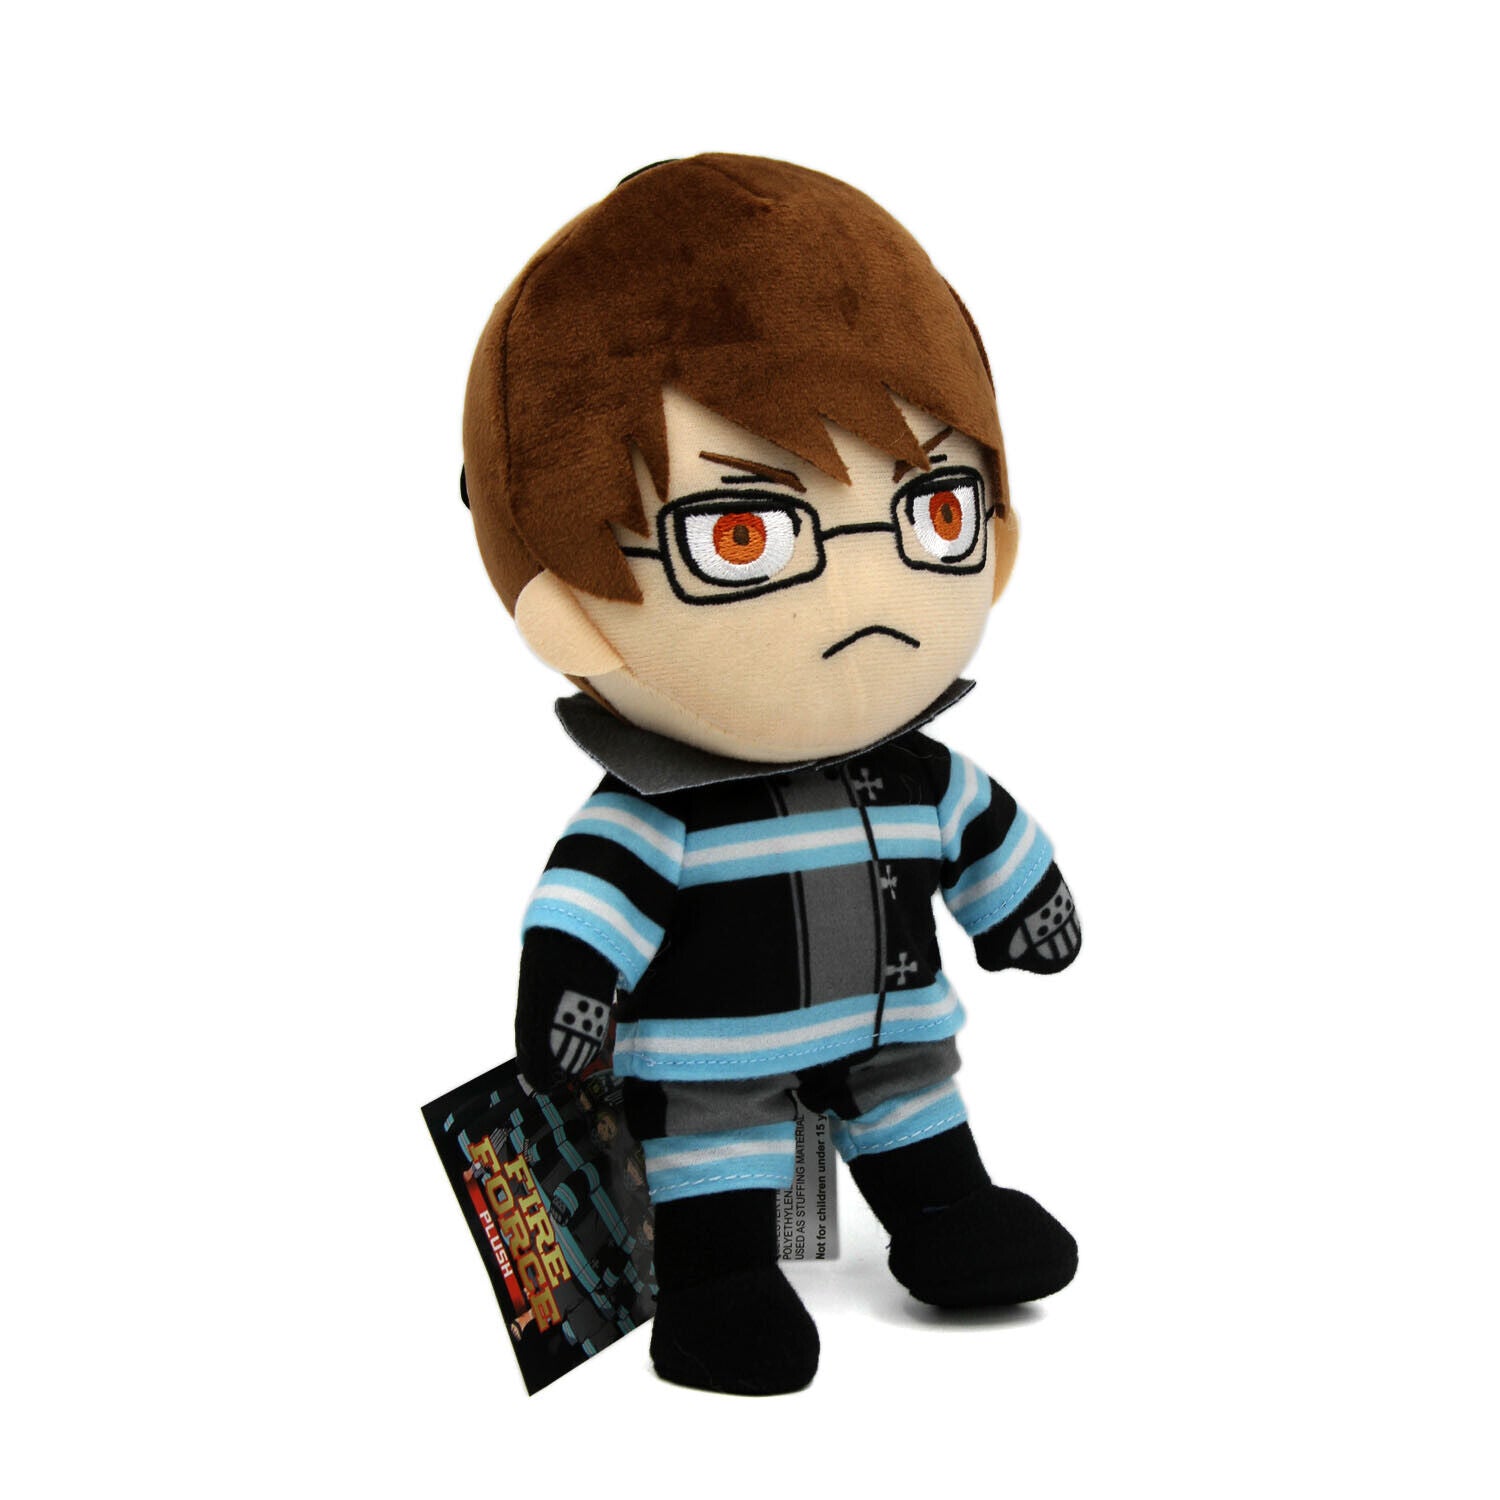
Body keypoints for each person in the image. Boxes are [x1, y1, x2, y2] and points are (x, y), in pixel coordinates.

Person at [461, 154, 1083, 1396]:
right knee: (716, 1149)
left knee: (918, 1106)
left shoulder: (921, 774)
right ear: (564, 596)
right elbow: (590, 899)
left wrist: (1026, 903)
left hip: (897, 1033)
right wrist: (573, 991)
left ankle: (947, 1218)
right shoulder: (662, 813)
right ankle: (718, 1284)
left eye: (933, 510)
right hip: (718, 1062)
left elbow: (981, 831)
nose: (867, 590)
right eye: (741, 535)